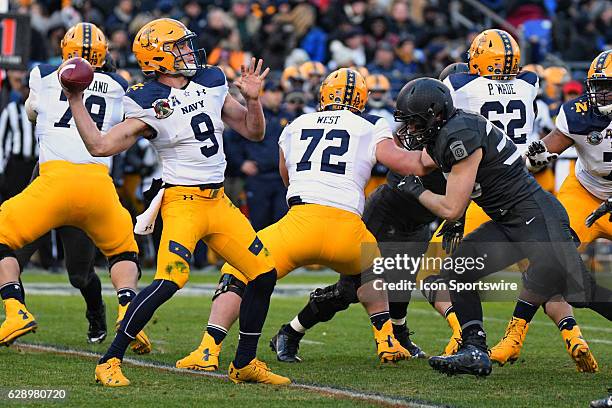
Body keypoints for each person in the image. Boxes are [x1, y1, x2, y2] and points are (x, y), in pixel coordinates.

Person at [65, 18, 288, 387]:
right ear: (158, 58)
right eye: (179, 46)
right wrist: (75, 99)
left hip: (218, 201)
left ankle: (244, 362)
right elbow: (100, 145)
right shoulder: (144, 100)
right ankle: (109, 360)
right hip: (183, 202)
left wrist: (253, 100)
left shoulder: (211, 80)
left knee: (263, 273)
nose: (188, 51)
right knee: (170, 280)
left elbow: (253, 131)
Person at [174, 68, 432, 371]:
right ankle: (387, 339)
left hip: (300, 222)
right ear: (361, 99)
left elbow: (288, 177)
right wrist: (445, 154)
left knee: (238, 269)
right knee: (370, 268)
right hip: (347, 228)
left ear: (323, 94)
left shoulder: (295, 124)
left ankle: (208, 350)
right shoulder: (372, 124)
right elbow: (404, 163)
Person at [393, 77, 612, 377]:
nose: (411, 131)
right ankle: (474, 350)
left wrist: (415, 190)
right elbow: (420, 163)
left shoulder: (460, 136)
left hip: (536, 219)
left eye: (416, 123)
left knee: (582, 293)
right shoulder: (449, 131)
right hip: (510, 221)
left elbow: (452, 206)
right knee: (459, 269)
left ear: (436, 115)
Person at [0, 23, 150, 355]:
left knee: (19, 251)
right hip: (96, 186)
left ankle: (17, 310)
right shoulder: (119, 84)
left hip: (51, 183)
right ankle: (129, 315)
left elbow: (31, 113)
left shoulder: (43, 74)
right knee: (122, 253)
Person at [491, 50, 612, 372]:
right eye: (597, 86)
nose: (600, 94)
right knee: (550, 256)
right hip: (586, 193)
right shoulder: (580, 113)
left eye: (609, 87)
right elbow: (549, 148)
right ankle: (514, 334)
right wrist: (536, 155)